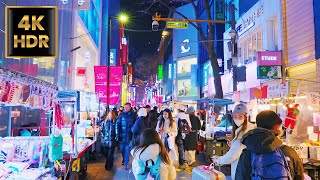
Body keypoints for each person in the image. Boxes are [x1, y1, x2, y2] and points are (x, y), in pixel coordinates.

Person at [235, 110, 304, 180]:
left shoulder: (247, 153)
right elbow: (299, 176)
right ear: (276, 127)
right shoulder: (289, 152)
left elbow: (240, 177)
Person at [212, 104, 255, 180]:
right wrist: (233, 145)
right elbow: (241, 148)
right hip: (247, 167)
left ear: (245, 116)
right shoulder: (247, 128)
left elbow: (234, 154)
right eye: (235, 117)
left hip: (242, 168)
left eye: (240, 116)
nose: (237, 119)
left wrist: (218, 160)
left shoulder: (245, 131)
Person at [116, 102, 137, 170]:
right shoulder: (121, 115)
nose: (125, 108)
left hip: (130, 136)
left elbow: (136, 125)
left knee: (127, 149)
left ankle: (126, 163)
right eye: (125, 107)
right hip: (122, 136)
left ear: (130, 107)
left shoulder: (134, 115)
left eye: (127, 107)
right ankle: (124, 159)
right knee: (122, 149)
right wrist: (117, 133)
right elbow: (117, 124)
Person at [175, 105, 191, 169]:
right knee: (184, 148)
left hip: (179, 134)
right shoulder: (187, 116)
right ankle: (185, 161)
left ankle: (181, 162)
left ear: (179, 110)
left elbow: (175, 126)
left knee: (180, 148)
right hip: (187, 135)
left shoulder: (177, 116)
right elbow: (190, 126)